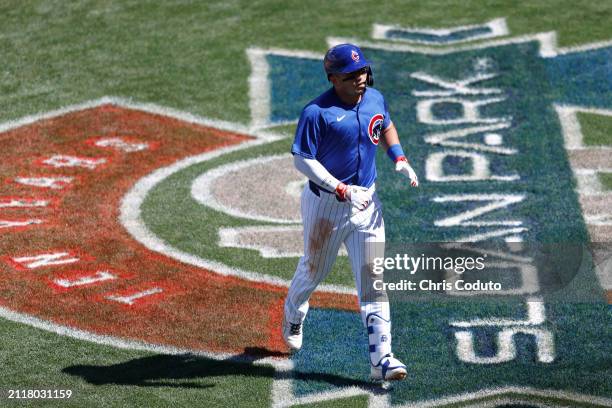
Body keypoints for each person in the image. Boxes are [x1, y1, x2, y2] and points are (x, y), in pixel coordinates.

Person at [281, 43, 419, 381]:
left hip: (368, 204)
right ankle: (293, 313)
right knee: (313, 271)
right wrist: (340, 188)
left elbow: (384, 124)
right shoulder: (316, 112)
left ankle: (382, 360)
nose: (360, 79)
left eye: (362, 71)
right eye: (350, 75)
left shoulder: (374, 97)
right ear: (333, 78)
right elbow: (302, 159)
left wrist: (398, 157)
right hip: (327, 207)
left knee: (373, 279)